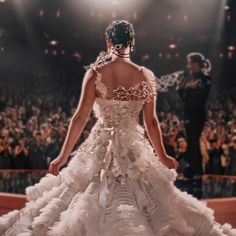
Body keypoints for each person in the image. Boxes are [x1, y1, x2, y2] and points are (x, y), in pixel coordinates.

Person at [1, 20, 236, 236]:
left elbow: (80, 118)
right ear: (132, 43)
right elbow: (151, 122)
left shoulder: (94, 74)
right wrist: (162, 156)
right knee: (148, 200)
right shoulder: (145, 75)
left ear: (109, 42)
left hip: (99, 144)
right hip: (134, 146)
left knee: (84, 194)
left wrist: (62, 157)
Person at [177, 52, 212, 178]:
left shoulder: (204, 78)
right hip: (189, 114)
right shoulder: (191, 79)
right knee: (192, 141)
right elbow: (185, 99)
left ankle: (195, 168)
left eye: (190, 63)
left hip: (197, 115)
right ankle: (194, 167)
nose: (188, 66)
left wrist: (191, 88)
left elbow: (201, 96)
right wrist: (181, 89)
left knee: (193, 141)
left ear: (196, 64)